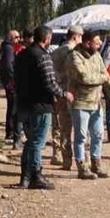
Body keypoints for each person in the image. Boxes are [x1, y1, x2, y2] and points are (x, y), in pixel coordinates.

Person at [14, 26, 74, 190]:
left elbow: (15, 79)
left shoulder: (21, 55)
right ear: (47, 39)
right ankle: (36, 176)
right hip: (40, 105)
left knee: (30, 141)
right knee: (37, 142)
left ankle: (25, 177)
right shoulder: (43, 57)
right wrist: (64, 93)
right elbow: (49, 83)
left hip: (23, 105)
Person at [67, 30, 110, 180]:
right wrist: (102, 77)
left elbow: (107, 78)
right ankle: (82, 167)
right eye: (97, 42)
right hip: (80, 103)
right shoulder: (74, 56)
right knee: (81, 137)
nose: (99, 45)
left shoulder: (97, 55)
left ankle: (96, 164)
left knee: (98, 135)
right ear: (87, 43)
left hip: (96, 103)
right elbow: (84, 77)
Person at [50, 27, 83, 170]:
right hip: (71, 92)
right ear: (76, 37)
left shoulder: (55, 51)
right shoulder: (74, 52)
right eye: (81, 37)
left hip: (57, 92)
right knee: (75, 126)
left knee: (59, 125)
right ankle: (78, 158)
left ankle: (60, 155)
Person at [0, 29, 21, 145]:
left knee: (11, 106)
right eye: (16, 37)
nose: (19, 39)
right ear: (10, 37)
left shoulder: (5, 47)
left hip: (7, 81)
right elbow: (8, 66)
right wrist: (12, 80)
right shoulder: (8, 48)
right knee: (13, 107)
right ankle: (10, 131)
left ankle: (9, 131)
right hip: (11, 82)